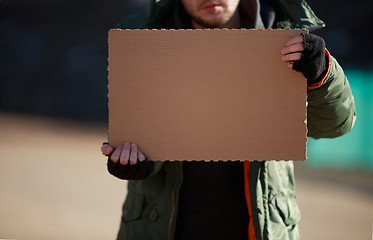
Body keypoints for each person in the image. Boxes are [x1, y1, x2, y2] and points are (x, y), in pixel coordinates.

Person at [101, 0, 356, 239]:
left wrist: (322, 74)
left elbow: (334, 125)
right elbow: (139, 137)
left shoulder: (284, 36)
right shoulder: (145, 43)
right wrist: (137, 162)